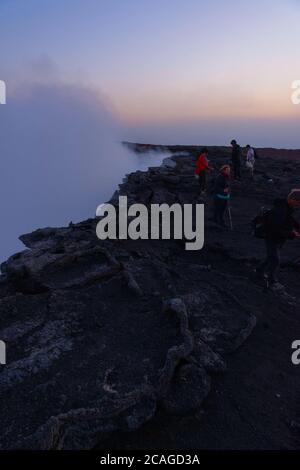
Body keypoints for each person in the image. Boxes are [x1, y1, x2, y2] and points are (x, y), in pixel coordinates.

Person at [255, 189, 300, 289]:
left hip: (279, 238)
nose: (299, 205)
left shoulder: (286, 207)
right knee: (275, 260)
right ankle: (272, 281)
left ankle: (259, 270)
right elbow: (274, 229)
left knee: (271, 257)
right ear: (292, 199)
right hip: (272, 237)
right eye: (298, 202)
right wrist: (291, 234)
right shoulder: (279, 211)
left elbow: (289, 219)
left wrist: (297, 227)